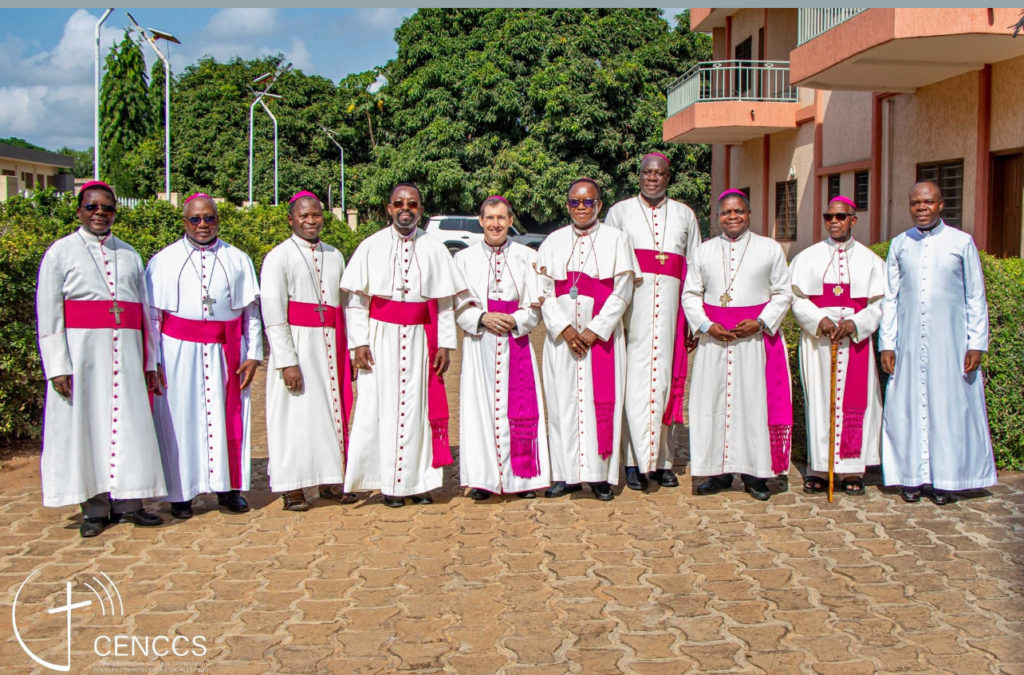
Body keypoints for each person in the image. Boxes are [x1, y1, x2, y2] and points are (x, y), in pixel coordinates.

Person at [36, 181, 165, 537]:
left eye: (107, 208)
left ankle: (129, 503)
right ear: (79, 211)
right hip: (83, 357)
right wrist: (58, 365)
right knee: (87, 429)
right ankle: (94, 509)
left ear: (115, 213)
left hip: (126, 355)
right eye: (92, 207)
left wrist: (149, 362)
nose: (99, 213)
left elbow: (144, 315)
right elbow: (49, 316)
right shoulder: (60, 253)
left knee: (129, 427)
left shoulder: (129, 254)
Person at [340, 183, 466, 507]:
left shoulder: (435, 248)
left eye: (412, 204)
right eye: (399, 203)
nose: (405, 209)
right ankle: (388, 484)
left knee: (418, 410)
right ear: (389, 208)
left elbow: (445, 303)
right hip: (381, 336)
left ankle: (419, 482)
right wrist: (359, 342)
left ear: (421, 210)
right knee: (379, 409)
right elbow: (356, 300)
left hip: (422, 338)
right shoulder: (371, 246)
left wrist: (445, 344)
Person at [879, 181, 996, 505]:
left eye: (927, 202)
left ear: (941, 204)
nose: (921, 208)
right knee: (907, 409)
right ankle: (911, 478)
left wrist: (976, 343)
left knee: (948, 409)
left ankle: (947, 479)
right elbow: (890, 298)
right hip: (909, 345)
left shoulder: (961, 242)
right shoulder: (900, 244)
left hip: (951, 344)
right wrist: (886, 344)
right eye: (915, 203)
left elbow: (975, 296)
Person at [147, 193, 262, 519]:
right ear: (184, 222)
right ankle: (181, 495)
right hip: (177, 351)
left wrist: (253, 353)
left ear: (218, 220)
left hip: (227, 351)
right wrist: (153, 360)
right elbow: (153, 317)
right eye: (195, 219)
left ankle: (229, 490)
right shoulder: (163, 261)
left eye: (209, 218)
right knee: (181, 420)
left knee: (228, 418)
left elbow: (251, 312)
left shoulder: (238, 258)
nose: (202, 225)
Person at [682, 189, 793, 501]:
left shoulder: (769, 249)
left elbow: (783, 293)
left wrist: (759, 322)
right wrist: (705, 325)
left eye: (739, 211)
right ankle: (717, 473)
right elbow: (691, 294)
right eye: (726, 213)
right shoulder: (703, 251)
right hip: (714, 340)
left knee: (752, 405)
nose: (733, 217)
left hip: (754, 341)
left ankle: (754, 473)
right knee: (712, 405)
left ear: (749, 214)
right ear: (718, 217)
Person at [604, 152, 702, 491]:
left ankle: (662, 462)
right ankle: (632, 462)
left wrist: (692, 317)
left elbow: (694, 269)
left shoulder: (685, 215)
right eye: (647, 172)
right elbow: (610, 262)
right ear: (639, 175)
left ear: (668, 177)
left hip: (672, 313)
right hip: (634, 312)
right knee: (633, 385)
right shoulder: (619, 212)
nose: (653, 178)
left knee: (666, 386)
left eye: (659, 173)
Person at [536, 178, 637, 501]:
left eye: (588, 202)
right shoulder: (552, 241)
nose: (581, 207)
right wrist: (564, 328)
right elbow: (543, 291)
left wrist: (595, 329)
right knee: (562, 404)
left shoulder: (617, 240)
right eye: (575, 202)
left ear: (599, 205)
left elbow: (623, 290)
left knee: (601, 406)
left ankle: (600, 476)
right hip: (561, 342)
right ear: (567, 206)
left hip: (601, 341)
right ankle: (564, 475)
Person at [261, 191, 355, 511]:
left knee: (329, 415)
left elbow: (344, 306)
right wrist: (288, 361)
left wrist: (350, 349)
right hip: (298, 345)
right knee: (295, 418)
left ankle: (330, 480)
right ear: (291, 219)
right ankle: (293, 487)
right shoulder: (278, 257)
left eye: (316, 215)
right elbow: (273, 315)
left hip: (329, 343)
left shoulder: (335, 255)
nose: (311, 221)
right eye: (304, 216)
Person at [454, 196, 550, 500]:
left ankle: (522, 481)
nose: (496, 224)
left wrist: (515, 319)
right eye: (490, 218)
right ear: (480, 221)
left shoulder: (526, 256)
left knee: (518, 409)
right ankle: (483, 480)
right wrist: (481, 317)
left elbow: (536, 306)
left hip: (515, 342)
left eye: (501, 218)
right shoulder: (463, 259)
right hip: (480, 344)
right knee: (479, 410)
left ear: (510, 221)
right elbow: (455, 306)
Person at [790, 196, 885, 496]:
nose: (834, 221)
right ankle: (819, 468)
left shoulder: (871, 261)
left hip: (855, 343)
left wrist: (856, 324)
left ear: (853, 220)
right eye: (828, 216)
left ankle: (852, 469)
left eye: (841, 216)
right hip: (819, 342)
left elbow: (879, 303)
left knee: (858, 403)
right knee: (820, 401)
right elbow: (796, 298)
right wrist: (819, 320)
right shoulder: (806, 258)